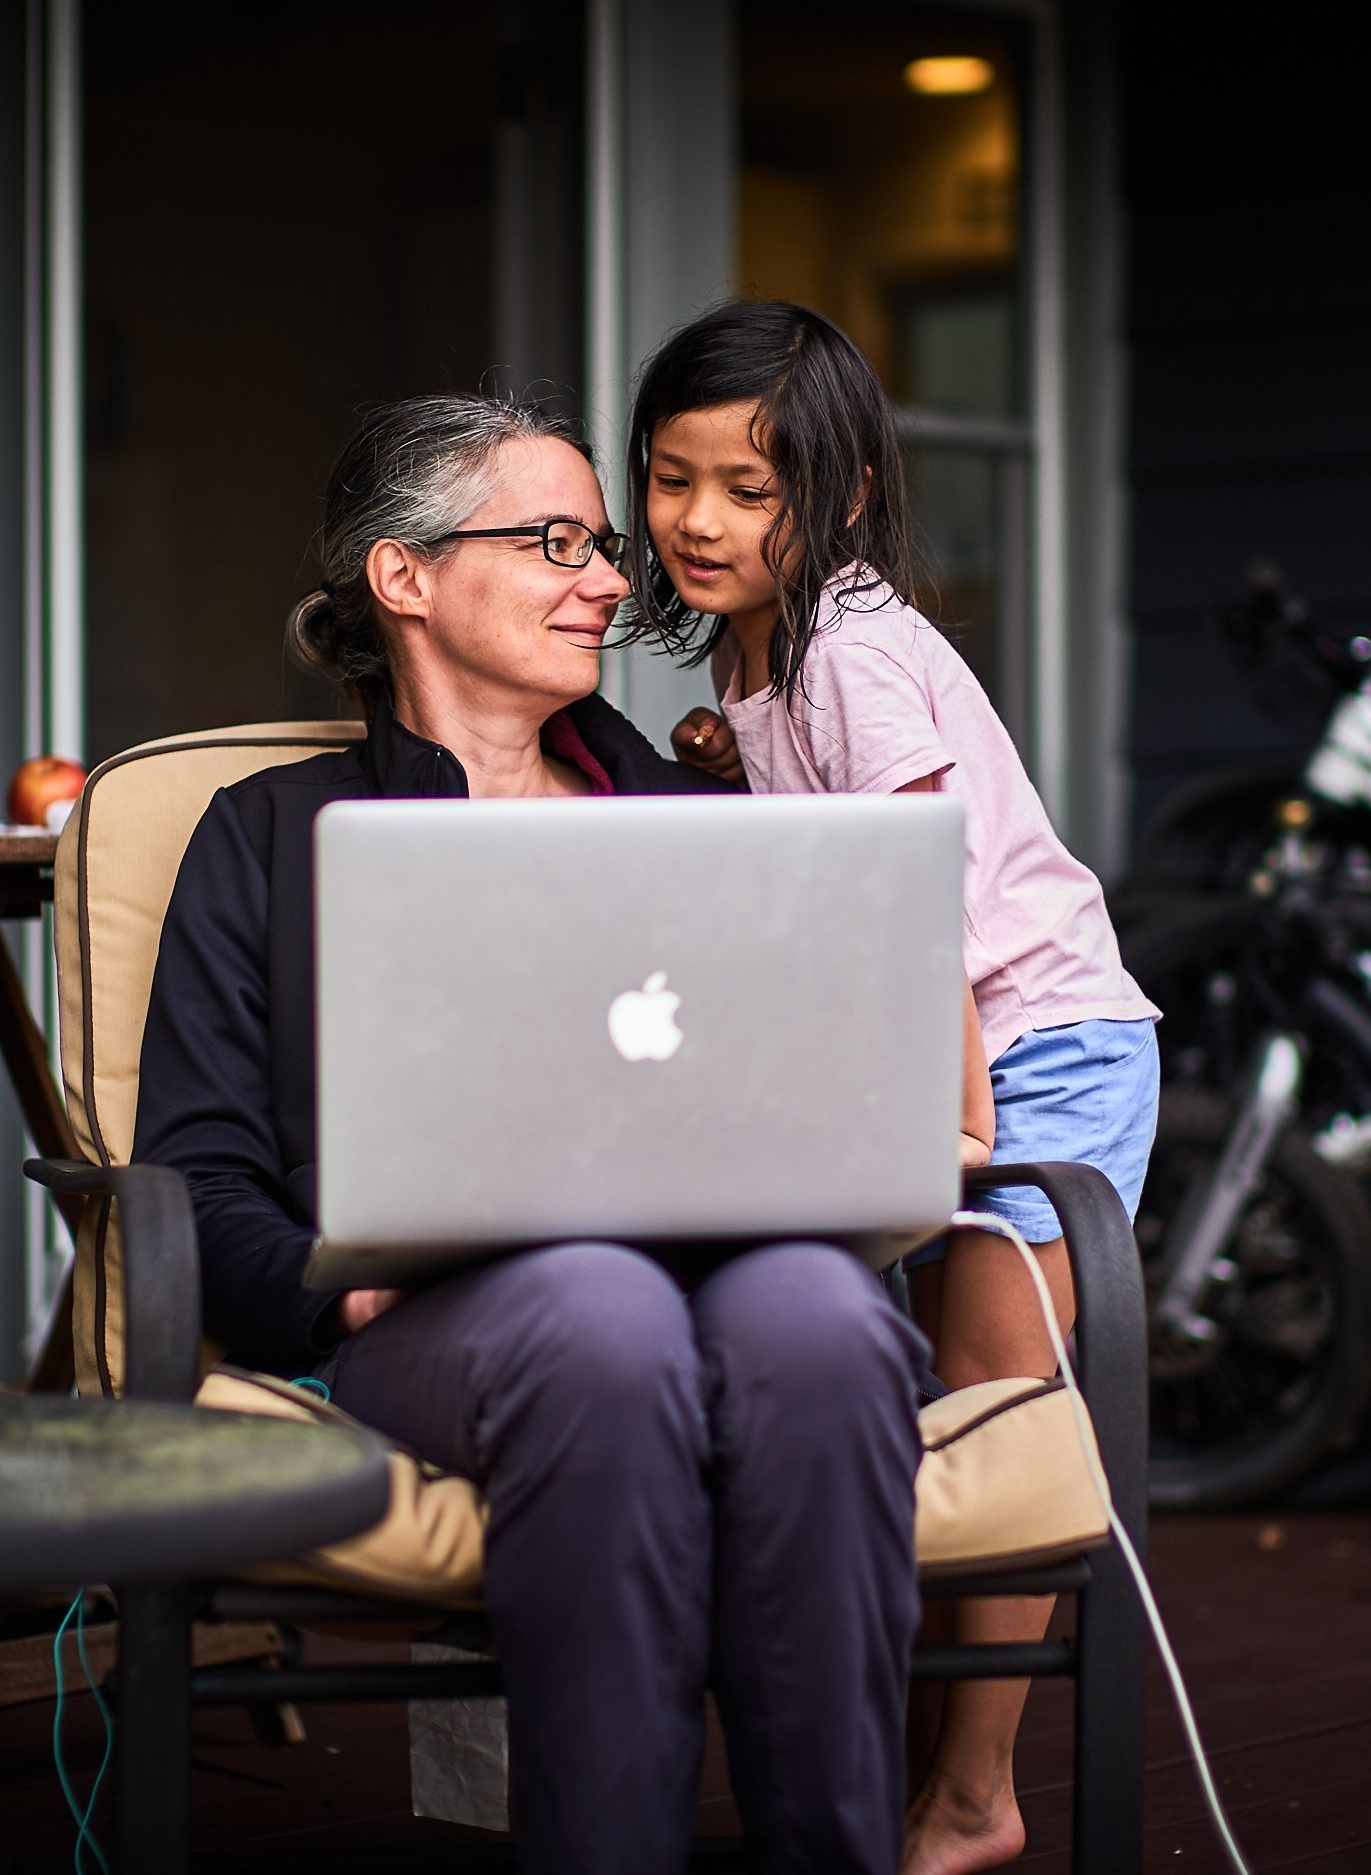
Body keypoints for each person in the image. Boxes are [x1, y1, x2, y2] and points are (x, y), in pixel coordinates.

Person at [132, 392, 931, 1875]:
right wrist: (346, 1280)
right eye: (558, 539)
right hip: (452, 1323)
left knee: (823, 1317)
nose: (615, 580)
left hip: (746, 1272)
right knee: (593, 1311)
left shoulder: (708, 812)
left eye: (603, 545)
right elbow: (195, 1174)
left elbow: (818, 1083)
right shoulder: (268, 837)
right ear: (405, 575)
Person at [621, 302, 1160, 1875]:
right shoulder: (763, 646)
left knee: (991, 1418)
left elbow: (912, 907)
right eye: (669, 478)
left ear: (841, 496)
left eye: (748, 488)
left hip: (1027, 1047)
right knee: (923, 1421)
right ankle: (927, 1773)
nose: (699, 521)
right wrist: (725, 746)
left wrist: (968, 1143)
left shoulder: (850, 645)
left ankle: (974, 1796)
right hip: (939, 1052)